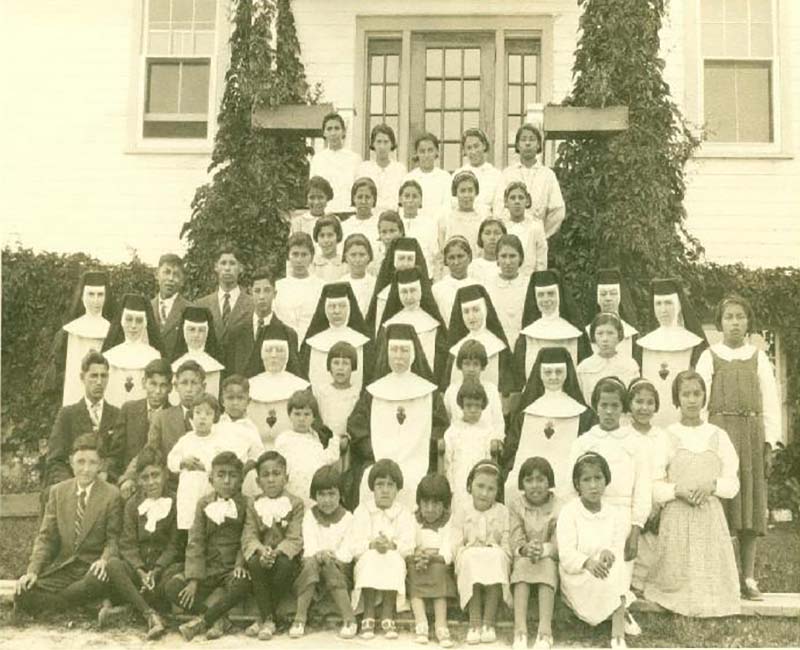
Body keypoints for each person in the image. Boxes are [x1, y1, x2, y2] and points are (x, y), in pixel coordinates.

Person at [695, 294, 782, 599]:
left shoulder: (758, 358)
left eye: (740, 317)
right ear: (720, 322)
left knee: (749, 506)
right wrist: (704, 442)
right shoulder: (709, 356)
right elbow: (700, 400)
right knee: (721, 505)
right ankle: (720, 576)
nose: (734, 322)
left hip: (750, 435)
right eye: (729, 317)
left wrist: (769, 443)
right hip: (719, 435)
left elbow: (770, 402)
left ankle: (748, 577)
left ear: (748, 322)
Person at [644, 370, 741, 617]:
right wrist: (677, 490)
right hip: (677, 515)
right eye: (685, 394)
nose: (691, 400)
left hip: (709, 515)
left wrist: (712, 486)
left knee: (711, 585)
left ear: (704, 397)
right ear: (676, 399)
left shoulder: (718, 436)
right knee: (676, 579)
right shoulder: (667, 436)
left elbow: (732, 483)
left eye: (697, 394)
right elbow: (654, 486)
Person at [569, 377, 651, 636]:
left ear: (623, 408)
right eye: (603, 405)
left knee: (616, 567)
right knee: (592, 564)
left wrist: (636, 528)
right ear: (595, 406)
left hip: (623, 515)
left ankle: (619, 610)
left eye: (615, 405)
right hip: (589, 514)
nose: (608, 411)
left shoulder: (636, 442)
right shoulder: (584, 441)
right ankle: (588, 611)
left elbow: (643, 487)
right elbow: (571, 484)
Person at [15, 434, 123, 618]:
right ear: (71, 462)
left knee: (96, 582)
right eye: (80, 462)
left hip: (92, 568)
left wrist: (104, 559)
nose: (86, 469)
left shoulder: (111, 494)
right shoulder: (58, 492)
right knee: (23, 592)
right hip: (65, 567)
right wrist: (32, 571)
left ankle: (63, 604)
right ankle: (85, 605)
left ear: (101, 465)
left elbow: (114, 539)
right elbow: (46, 538)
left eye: (92, 463)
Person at [346, 323, 449, 510]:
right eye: (394, 349)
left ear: (414, 353)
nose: (399, 356)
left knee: (416, 478)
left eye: (404, 350)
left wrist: (423, 446)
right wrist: (375, 450)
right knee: (367, 476)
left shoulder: (428, 392)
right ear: (387, 352)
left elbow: (441, 427)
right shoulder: (374, 391)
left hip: (418, 461)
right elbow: (357, 425)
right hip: (379, 459)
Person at [166, 452, 251, 641]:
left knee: (242, 584)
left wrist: (239, 565)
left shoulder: (247, 504)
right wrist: (194, 579)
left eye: (232, 475)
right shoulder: (203, 503)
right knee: (173, 588)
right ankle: (219, 618)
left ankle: (204, 620)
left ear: (241, 479)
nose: (227, 481)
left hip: (233, 569)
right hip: (208, 568)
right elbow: (196, 541)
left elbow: (248, 537)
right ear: (211, 479)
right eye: (221, 475)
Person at [103, 447, 178, 640]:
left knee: (174, 577)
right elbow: (127, 543)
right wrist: (140, 571)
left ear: (165, 474)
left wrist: (157, 570)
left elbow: (175, 545)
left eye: (155, 475)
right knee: (113, 564)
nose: (151, 482)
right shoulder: (132, 505)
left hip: (163, 571)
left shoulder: (176, 502)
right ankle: (150, 614)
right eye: (145, 477)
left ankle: (133, 608)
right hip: (139, 572)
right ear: (138, 479)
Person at [503, 347, 595, 500]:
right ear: (539, 374)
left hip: (567, 474)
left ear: (567, 373)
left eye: (559, 372)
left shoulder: (583, 415)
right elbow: (512, 448)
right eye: (548, 372)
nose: (553, 377)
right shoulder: (527, 412)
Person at [557, 453, 627, 649]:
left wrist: (609, 552)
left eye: (598, 478)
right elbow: (566, 554)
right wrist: (587, 563)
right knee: (606, 576)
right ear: (577, 484)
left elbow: (617, 545)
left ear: (606, 480)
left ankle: (618, 632)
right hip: (579, 576)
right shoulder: (569, 512)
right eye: (586, 480)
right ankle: (600, 613)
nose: (593, 485)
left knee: (619, 566)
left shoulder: (614, 513)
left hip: (605, 571)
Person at [118, 359, 206, 497]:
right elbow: (148, 451)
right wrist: (128, 478)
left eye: (194, 383)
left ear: (203, 386)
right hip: (170, 489)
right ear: (176, 386)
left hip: (204, 488)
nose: (189, 389)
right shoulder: (163, 418)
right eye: (184, 383)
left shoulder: (214, 418)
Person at [241, 451, 305, 640]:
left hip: (285, 557)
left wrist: (276, 552)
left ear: (286, 478)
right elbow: (249, 534)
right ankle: (270, 619)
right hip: (262, 554)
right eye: (265, 475)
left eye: (276, 474)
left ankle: (263, 618)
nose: (271, 480)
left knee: (285, 564)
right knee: (254, 563)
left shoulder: (295, 503)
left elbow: (295, 537)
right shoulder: (253, 504)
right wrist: (262, 550)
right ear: (259, 481)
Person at [350, 459, 416, 640]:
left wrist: (392, 546)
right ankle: (368, 613)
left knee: (393, 559)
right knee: (370, 558)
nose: (385, 490)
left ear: (397, 489)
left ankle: (388, 612)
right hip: (368, 555)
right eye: (380, 484)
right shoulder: (362, 511)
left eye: (390, 485)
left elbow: (409, 545)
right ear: (372, 488)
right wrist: (371, 545)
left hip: (393, 556)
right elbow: (355, 543)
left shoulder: (403, 513)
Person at [292, 465, 357, 639]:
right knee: (312, 563)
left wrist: (332, 556)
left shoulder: (348, 518)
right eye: (321, 494)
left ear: (340, 495)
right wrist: (318, 554)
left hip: (338, 567)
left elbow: (349, 548)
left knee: (328, 566)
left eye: (331, 494)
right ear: (314, 496)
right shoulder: (310, 516)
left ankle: (349, 618)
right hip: (313, 563)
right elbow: (309, 542)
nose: (326, 500)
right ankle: (300, 617)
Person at [634, 278, 708, 428]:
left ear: (679, 305)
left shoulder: (695, 344)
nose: (663, 309)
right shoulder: (643, 345)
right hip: (649, 420)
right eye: (658, 303)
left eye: (668, 303)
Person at [452, 460, 511, 645]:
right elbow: (456, 543)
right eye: (480, 486)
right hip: (469, 556)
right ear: (470, 485)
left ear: (497, 491)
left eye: (491, 489)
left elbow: (506, 544)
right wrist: (470, 548)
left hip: (495, 555)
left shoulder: (502, 512)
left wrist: (493, 547)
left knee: (496, 558)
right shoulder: (462, 509)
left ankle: (489, 623)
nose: (484, 493)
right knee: (471, 559)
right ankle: (474, 622)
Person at [45, 350, 120, 489]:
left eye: (103, 376)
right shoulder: (67, 415)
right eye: (93, 376)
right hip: (72, 486)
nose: (99, 382)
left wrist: (105, 472)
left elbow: (118, 455)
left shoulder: (117, 415)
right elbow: (55, 460)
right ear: (82, 377)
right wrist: (73, 485)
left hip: (106, 488)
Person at [508, 457, 561, 650]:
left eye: (541, 480)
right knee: (523, 564)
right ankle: (520, 629)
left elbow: (560, 540)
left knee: (546, 565)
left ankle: (545, 631)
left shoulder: (558, 506)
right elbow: (515, 536)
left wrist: (544, 549)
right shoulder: (516, 505)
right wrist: (525, 549)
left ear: (550, 482)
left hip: (549, 557)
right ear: (522, 483)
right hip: (524, 555)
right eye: (529, 480)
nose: (535, 485)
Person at [627, 378, 668, 594]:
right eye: (638, 401)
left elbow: (668, 473)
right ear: (629, 404)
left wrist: (658, 505)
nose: (644, 407)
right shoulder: (624, 436)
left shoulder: (662, 436)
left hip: (658, 500)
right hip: (632, 500)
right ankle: (632, 582)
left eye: (650, 402)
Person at [50, 270, 114, 406]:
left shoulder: (112, 331)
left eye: (100, 295)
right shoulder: (69, 331)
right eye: (91, 294)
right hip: (74, 389)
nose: (96, 300)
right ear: (82, 296)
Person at [407, 474, 457, 648]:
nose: (429, 509)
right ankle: (421, 622)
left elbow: (449, 549)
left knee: (438, 572)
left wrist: (435, 557)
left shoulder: (449, 521)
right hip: (419, 562)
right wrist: (417, 554)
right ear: (419, 503)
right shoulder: (413, 519)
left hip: (439, 563)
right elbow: (409, 543)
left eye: (436, 504)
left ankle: (441, 624)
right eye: (425, 503)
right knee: (414, 572)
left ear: (445, 505)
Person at [224, 266, 300, 378]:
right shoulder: (236, 332)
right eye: (257, 291)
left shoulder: (287, 334)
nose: (262, 297)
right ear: (250, 293)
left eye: (267, 290)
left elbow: (293, 376)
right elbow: (229, 373)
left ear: (275, 294)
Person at [514, 268, 589, 383]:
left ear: (559, 295)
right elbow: (520, 375)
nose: (546, 299)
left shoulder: (574, 334)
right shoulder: (527, 336)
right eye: (541, 295)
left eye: (550, 294)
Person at [107, 358, 172, 485]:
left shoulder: (173, 416)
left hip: (159, 484)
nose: (157, 391)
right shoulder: (129, 410)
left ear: (170, 388)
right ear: (143, 383)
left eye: (163, 385)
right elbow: (116, 454)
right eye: (153, 384)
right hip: (125, 481)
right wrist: (119, 480)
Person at [167, 393, 227, 532]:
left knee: (207, 526)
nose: (202, 417)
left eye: (208, 413)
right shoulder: (186, 440)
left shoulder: (219, 441)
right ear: (191, 416)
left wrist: (205, 466)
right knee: (189, 526)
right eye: (198, 412)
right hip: (189, 492)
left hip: (208, 490)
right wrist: (183, 462)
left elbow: (222, 464)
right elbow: (171, 460)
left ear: (215, 418)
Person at [246, 322, 311, 447]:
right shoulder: (250, 386)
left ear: (287, 354)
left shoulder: (301, 387)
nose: (274, 355)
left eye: (280, 350)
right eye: (269, 350)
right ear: (261, 354)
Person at [379, 266, 449, 383]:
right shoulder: (389, 325)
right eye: (404, 292)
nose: (409, 297)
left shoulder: (433, 325)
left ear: (421, 290)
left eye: (413, 290)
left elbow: (440, 362)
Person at [301, 281, 372, 395]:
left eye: (342, 306)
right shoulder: (312, 343)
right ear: (324, 309)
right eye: (331, 306)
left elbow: (368, 381)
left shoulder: (363, 343)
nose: (337, 311)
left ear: (349, 308)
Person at [444, 381, 503, 514]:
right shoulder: (452, 431)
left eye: (477, 406)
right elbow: (447, 462)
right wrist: (450, 487)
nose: (473, 410)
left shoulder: (489, 431)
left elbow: (491, 462)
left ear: (483, 407)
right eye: (468, 406)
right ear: (461, 406)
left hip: (481, 480)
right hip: (459, 479)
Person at [445, 284, 515, 396]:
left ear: (485, 310)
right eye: (466, 312)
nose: (471, 317)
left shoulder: (499, 348)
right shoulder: (455, 350)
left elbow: (507, 391)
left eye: (476, 310)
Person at [499, 124, 565, 237]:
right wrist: (509, 230)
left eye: (532, 140)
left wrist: (542, 233)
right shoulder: (507, 174)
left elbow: (557, 209)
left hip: (538, 234)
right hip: (511, 236)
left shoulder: (548, 175)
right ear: (517, 145)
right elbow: (499, 207)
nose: (527, 143)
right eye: (523, 140)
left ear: (538, 145)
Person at [274, 390, 337, 506]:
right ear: (290, 415)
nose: (302, 419)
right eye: (297, 414)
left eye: (307, 414)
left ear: (314, 417)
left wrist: (336, 442)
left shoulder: (316, 438)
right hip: (292, 488)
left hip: (312, 488)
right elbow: (278, 467)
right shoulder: (284, 439)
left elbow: (324, 460)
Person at [101, 293, 163, 408]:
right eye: (129, 319)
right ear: (122, 321)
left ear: (145, 323)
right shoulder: (109, 356)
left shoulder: (154, 357)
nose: (133, 326)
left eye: (139, 321)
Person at [365, 236, 429, 336]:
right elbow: (379, 329)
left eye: (410, 259)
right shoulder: (383, 295)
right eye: (401, 258)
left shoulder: (424, 291)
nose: (405, 264)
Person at [443, 339, 506, 438]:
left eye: (476, 364)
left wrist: (496, 443)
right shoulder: (451, 391)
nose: (471, 369)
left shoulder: (491, 390)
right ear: (460, 365)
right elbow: (446, 422)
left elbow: (498, 424)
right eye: (467, 364)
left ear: (482, 366)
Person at [214, 374, 264, 498]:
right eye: (230, 398)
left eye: (240, 398)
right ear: (222, 401)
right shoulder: (216, 424)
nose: (235, 403)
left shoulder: (250, 428)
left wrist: (243, 471)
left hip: (241, 477)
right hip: (217, 476)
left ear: (248, 401)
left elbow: (256, 456)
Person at [195, 246, 254, 348]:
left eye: (232, 263)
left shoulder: (252, 305)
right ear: (216, 267)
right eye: (223, 263)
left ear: (241, 268)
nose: (227, 268)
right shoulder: (201, 305)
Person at [577, 313, 641, 405]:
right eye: (600, 333)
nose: (605, 339)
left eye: (610, 333)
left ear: (619, 335)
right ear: (593, 336)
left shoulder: (630, 365)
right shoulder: (584, 368)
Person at [274, 232, 325, 344]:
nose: (299, 260)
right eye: (295, 254)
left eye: (304, 255)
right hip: (284, 344)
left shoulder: (321, 286)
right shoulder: (279, 286)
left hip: (313, 344)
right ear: (288, 256)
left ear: (311, 257)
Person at [484, 234, 531, 349]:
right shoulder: (487, 287)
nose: (508, 262)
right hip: (497, 345)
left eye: (512, 256)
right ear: (497, 259)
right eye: (503, 256)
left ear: (520, 258)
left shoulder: (529, 284)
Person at [309, 112, 361, 214]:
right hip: (325, 213)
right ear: (324, 133)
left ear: (344, 132)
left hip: (349, 213)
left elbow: (359, 189)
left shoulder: (355, 159)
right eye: (329, 129)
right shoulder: (317, 159)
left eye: (337, 128)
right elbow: (313, 190)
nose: (333, 133)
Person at [170, 306, 224, 402]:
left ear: (207, 332)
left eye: (201, 330)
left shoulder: (215, 365)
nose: (196, 335)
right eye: (192, 330)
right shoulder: (174, 363)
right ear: (184, 331)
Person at [314, 341, 362, 445]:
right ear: (329, 366)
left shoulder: (357, 394)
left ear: (352, 366)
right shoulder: (322, 392)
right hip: (325, 443)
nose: (340, 368)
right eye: (336, 363)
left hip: (350, 445)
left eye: (345, 363)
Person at [586, 268, 639, 359]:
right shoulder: (586, 335)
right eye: (603, 294)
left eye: (613, 293)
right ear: (597, 297)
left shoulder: (631, 335)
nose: (608, 298)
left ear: (620, 296)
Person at [500, 182, 548, 276]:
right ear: (506, 202)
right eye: (512, 198)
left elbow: (541, 260)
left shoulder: (536, 227)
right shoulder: (501, 226)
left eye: (521, 198)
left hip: (529, 278)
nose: (517, 201)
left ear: (527, 201)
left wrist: (539, 279)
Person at [357, 124, 407, 211]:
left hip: (392, 217)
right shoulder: (364, 168)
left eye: (386, 142)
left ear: (392, 144)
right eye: (378, 142)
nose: (382, 147)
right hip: (369, 216)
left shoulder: (400, 169)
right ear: (373, 143)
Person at [455, 128, 503, 218]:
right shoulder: (458, 174)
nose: (473, 151)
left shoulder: (496, 175)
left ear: (484, 145)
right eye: (469, 148)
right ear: (464, 151)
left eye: (476, 146)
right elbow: (453, 203)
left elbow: (499, 206)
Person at [152, 254, 192, 361]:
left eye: (176, 274)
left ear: (182, 281)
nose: (170, 279)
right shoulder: (147, 308)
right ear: (157, 274)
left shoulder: (189, 310)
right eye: (166, 272)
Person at [404, 132, 452, 220]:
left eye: (430, 150)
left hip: (439, 224)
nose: (426, 155)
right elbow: (404, 207)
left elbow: (447, 206)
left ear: (436, 151)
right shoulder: (409, 178)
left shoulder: (445, 177)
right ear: (416, 153)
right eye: (422, 151)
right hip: (415, 224)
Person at [398, 179, 439, 278]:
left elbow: (434, 254)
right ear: (400, 199)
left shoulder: (429, 224)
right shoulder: (395, 221)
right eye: (407, 196)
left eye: (415, 196)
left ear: (421, 200)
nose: (411, 200)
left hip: (424, 275)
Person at [432, 236, 473, 324]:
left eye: (460, 256)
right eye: (451, 258)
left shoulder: (477, 286)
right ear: (445, 261)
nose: (456, 262)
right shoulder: (437, 289)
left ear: (469, 257)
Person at [440, 170, 483, 254]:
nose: (466, 195)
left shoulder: (482, 219)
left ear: (476, 192)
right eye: (462, 191)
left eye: (470, 190)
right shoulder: (446, 219)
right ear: (456, 193)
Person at [340, 177, 380, 254]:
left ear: (374, 199)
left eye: (367, 197)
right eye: (360, 197)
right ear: (353, 198)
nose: (363, 201)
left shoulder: (380, 224)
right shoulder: (344, 226)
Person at [342, 233, 377, 317]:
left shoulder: (375, 284)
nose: (357, 260)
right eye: (353, 255)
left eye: (362, 255)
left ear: (369, 256)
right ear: (346, 257)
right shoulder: (340, 283)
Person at [467, 217, 506, 284]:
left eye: (497, 233)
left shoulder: (509, 265)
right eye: (487, 233)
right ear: (480, 237)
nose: (492, 237)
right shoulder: (472, 267)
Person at [311, 215, 347, 282]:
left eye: (330, 235)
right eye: (322, 236)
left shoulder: (345, 264)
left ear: (338, 236)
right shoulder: (312, 264)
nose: (326, 240)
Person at [372, 209, 406, 276]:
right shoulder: (375, 256)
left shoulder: (409, 253)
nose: (388, 237)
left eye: (392, 231)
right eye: (384, 232)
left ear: (401, 232)